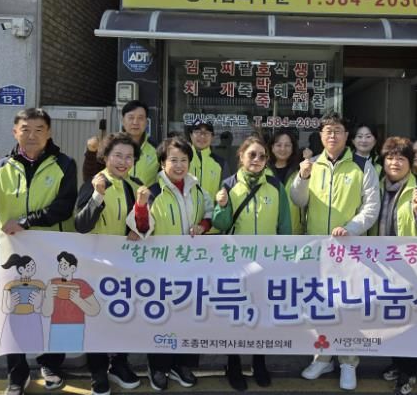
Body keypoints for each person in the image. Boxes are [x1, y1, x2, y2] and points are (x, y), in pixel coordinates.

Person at [0, 108, 76, 395]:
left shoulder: (65, 164)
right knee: (13, 314)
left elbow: (64, 207)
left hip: (52, 252)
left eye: (39, 129)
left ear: (49, 133)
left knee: (53, 310)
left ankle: (51, 364)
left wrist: (26, 222)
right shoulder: (0, 167)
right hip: (13, 256)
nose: (32, 135)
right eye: (25, 129)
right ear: (15, 132)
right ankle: (17, 373)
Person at [290, 112, 380, 391]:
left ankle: (348, 362)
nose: (332, 135)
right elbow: (297, 200)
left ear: (346, 136)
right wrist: (302, 177)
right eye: (328, 130)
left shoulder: (362, 165)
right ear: (320, 136)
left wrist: (351, 229)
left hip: (350, 250)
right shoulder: (312, 164)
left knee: (348, 306)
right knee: (320, 306)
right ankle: (323, 357)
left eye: (338, 130)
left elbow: (371, 206)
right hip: (318, 250)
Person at [127, 135, 213, 391]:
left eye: (183, 160)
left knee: (189, 318)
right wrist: (141, 206)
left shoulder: (197, 189)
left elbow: (210, 214)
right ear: (163, 163)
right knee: (161, 319)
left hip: (192, 268)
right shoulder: (153, 192)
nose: (179, 165)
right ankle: (158, 367)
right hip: (161, 269)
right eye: (173, 160)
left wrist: (203, 226)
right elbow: (141, 229)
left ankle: (182, 365)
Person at [213, 135, 291, 391]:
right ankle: (233, 364)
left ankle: (259, 362)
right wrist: (221, 206)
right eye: (252, 155)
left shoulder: (275, 185)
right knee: (236, 314)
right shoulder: (228, 184)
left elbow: (284, 225)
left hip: (266, 263)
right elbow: (221, 224)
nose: (257, 160)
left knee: (262, 314)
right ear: (241, 156)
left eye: (261, 156)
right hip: (236, 263)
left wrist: (284, 259)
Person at [75, 132, 143, 395]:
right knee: (97, 320)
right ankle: (98, 372)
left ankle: (119, 364)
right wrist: (98, 196)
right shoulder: (94, 183)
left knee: (123, 316)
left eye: (129, 157)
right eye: (118, 156)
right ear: (105, 157)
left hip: (126, 266)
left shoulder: (136, 186)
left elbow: (145, 222)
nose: (123, 162)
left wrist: (141, 229)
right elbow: (81, 225)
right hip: (96, 267)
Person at [373, 137, 417, 395]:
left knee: (411, 319)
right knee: (390, 316)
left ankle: (408, 371)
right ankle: (396, 362)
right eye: (390, 158)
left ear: (410, 163)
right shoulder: (376, 187)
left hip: (412, 267)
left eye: (401, 158)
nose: (394, 163)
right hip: (381, 265)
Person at [83, 100, 159, 186]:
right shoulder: (110, 144)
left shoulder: (156, 149)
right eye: (131, 118)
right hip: (112, 194)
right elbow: (90, 177)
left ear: (146, 122)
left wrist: (151, 192)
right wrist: (91, 152)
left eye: (140, 118)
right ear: (123, 121)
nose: (135, 122)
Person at [42, 252, 100, 353]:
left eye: (64, 265)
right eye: (60, 265)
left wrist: (78, 300)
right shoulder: (53, 283)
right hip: (56, 325)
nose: (61, 267)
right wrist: (48, 297)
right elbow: (46, 313)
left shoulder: (81, 284)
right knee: (55, 351)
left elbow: (95, 309)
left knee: (75, 350)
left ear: (73, 268)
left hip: (76, 325)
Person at [267, 129, 303, 234]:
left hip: (294, 230)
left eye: (287, 145)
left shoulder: (300, 171)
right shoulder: (263, 171)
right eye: (278, 145)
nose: (283, 149)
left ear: (292, 148)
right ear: (272, 147)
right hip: (268, 231)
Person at [187, 119, 230, 201]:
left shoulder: (221, 163)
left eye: (206, 133)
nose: (202, 136)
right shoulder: (183, 160)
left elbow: (226, 193)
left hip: (211, 209)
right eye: (198, 132)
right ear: (191, 135)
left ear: (212, 137)